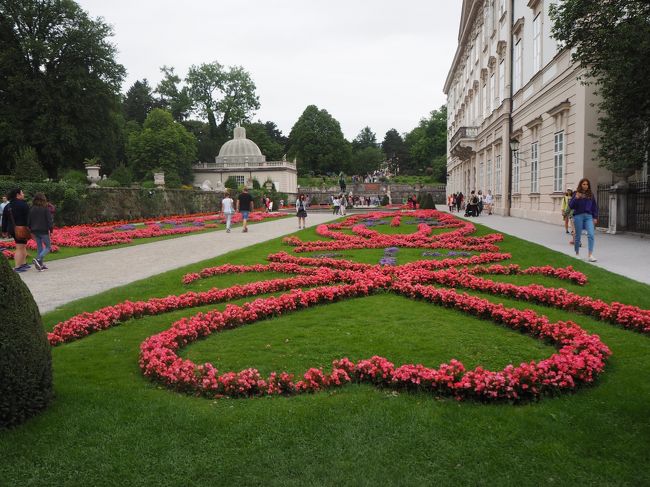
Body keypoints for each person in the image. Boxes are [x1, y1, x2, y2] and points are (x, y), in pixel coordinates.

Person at [1, 188, 31, 272]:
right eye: (22, 193)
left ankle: (23, 263)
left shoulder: (8, 206)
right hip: (21, 229)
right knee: (20, 247)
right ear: (18, 195)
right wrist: (30, 228)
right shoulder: (24, 204)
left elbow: (4, 220)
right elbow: (28, 218)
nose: (23, 194)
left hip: (11, 229)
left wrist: (3, 231)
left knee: (22, 246)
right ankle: (17, 266)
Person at [569, 178, 598, 262]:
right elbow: (571, 206)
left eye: (587, 184)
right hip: (578, 216)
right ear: (580, 185)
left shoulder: (591, 195)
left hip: (589, 217)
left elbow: (594, 206)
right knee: (578, 235)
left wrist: (595, 217)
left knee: (591, 235)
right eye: (584, 184)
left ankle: (590, 255)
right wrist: (576, 198)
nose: (585, 186)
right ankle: (577, 253)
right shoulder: (576, 193)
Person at [28, 192, 54, 271]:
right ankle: (38, 259)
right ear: (43, 199)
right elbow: (49, 220)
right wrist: (51, 229)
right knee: (48, 247)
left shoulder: (31, 208)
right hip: (43, 230)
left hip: (34, 230)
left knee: (40, 247)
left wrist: (30, 229)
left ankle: (40, 264)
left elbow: (28, 220)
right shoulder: (45, 208)